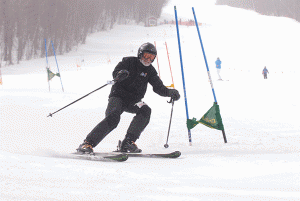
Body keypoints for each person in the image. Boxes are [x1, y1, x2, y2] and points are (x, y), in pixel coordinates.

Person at [77, 42, 180, 153]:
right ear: (140, 54)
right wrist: (120, 74)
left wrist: (170, 92)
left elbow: (158, 87)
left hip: (134, 101)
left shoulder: (150, 71)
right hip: (118, 96)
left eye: (151, 57)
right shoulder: (129, 61)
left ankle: (128, 143)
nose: (148, 59)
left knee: (145, 110)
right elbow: (116, 72)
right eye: (146, 55)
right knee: (113, 119)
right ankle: (87, 144)